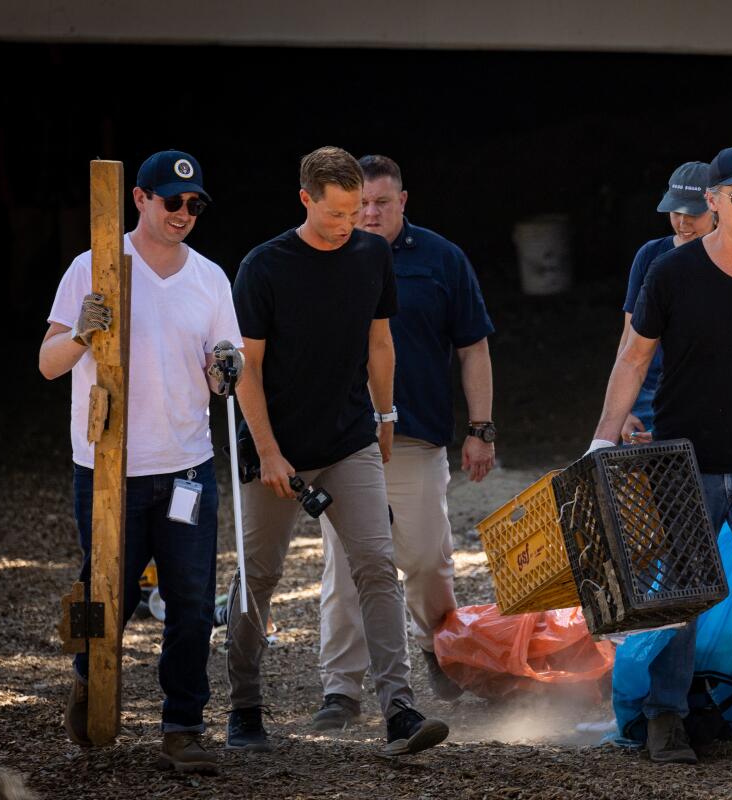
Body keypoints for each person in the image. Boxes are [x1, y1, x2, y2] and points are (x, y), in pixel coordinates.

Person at [588, 145, 732, 776]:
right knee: (679, 595)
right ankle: (666, 715)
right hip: (683, 462)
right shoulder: (670, 272)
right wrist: (604, 440)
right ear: (711, 201)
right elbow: (633, 357)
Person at [225, 146, 447, 757]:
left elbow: (381, 343)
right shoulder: (263, 267)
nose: (348, 224)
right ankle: (244, 708)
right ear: (306, 200)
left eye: (355, 213)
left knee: (377, 564)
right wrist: (268, 451)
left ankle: (399, 711)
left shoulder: (372, 255)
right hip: (275, 448)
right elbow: (249, 368)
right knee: (258, 578)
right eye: (335, 214)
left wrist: (385, 415)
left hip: (350, 438)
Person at [40, 150, 241, 775]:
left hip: (186, 467)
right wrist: (80, 332)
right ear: (139, 199)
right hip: (105, 468)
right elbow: (47, 363)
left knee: (189, 603)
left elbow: (222, 370)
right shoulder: (93, 267)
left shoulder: (209, 277)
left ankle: (183, 726)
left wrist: (225, 369)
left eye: (194, 204)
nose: (183, 213)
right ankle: (88, 682)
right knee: (108, 595)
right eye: (170, 201)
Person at [311, 154, 496, 729]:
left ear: (403, 202)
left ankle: (438, 649)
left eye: (381, 203)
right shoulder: (324, 256)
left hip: (417, 437)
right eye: (360, 203)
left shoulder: (442, 259)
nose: (368, 213)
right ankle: (341, 690)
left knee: (427, 559)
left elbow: (473, 346)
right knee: (346, 566)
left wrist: (481, 427)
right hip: (342, 441)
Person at [618, 161, 714, 443]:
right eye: (675, 212)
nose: (683, 222)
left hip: (710, 395)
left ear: (715, 207)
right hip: (650, 395)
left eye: (693, 213)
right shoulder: (649, 255)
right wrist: (622, 410)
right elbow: (628, 338)